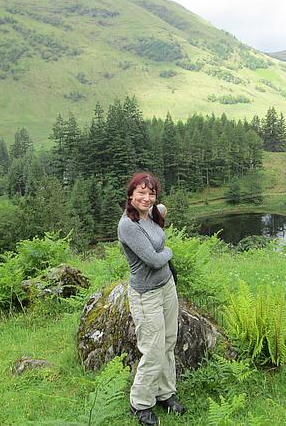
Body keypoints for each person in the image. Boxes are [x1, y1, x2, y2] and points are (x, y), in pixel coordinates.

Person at [117, 172, 187, 426]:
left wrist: (159, 210)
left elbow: (161, 209)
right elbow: (155, 259)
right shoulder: (128, 225)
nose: (146, 198)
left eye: (151, 193)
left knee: (169, 342)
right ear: (130, 194)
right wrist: (169, 251)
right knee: (153, 350)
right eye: (141, 192)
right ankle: (141, 404)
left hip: (167, 286)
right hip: (146, 294)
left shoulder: (151, 212)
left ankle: (165, 393)